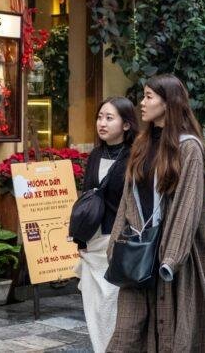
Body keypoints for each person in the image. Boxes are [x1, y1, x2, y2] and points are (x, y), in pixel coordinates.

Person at [108, 74, 205, 352]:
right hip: (137, 252)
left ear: (168, 103)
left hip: (173, 260)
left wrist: (171, 258)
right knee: (125, 334)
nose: (141, 103)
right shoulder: (142, 144)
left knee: (172, 334)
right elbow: (127, 199)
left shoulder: (188, 147)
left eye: (148, 97)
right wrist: (115, 245)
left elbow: (188, 205)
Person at [75, 97, 137, 353]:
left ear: (126, 124)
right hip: (92, 242)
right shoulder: (95, 155)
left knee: (113, 302)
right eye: (100, 117)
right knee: (94, 306)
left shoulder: (136, 156)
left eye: (109, 118)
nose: (102, 123)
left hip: (118, 242)